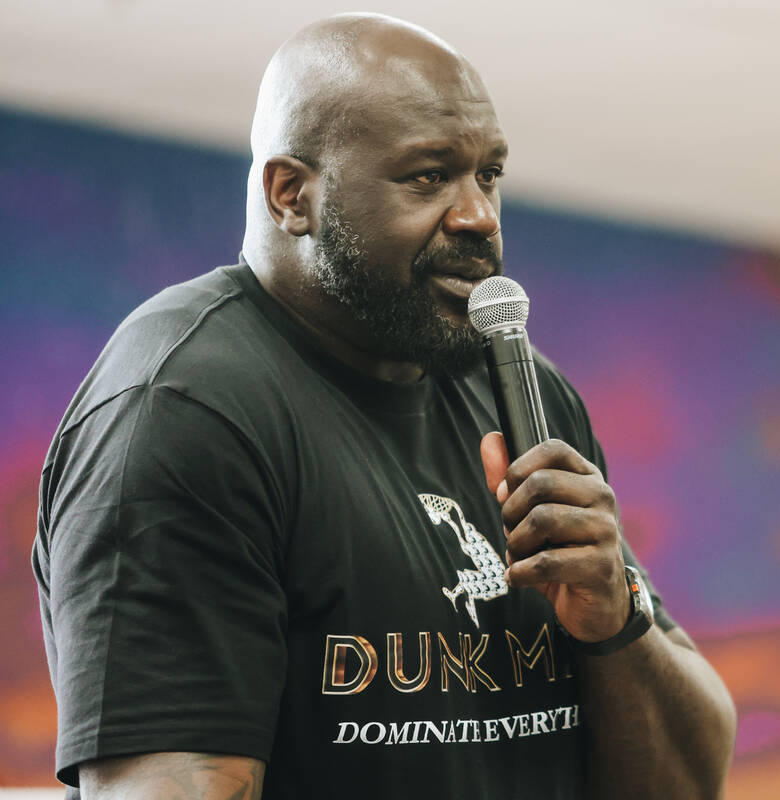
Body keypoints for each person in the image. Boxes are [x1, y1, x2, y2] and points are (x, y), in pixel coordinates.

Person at [32, 13, 736, 800]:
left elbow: (691, 780)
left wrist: (615, 618)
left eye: (489, 175)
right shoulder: (186, 406)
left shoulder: (521, 390)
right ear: (291, 195)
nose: (479, 216)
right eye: (428, 177)